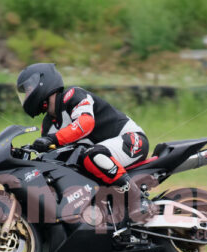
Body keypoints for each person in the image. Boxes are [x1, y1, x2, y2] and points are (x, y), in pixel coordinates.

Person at [16, 63, 156, 224]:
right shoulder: (48, 125)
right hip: (103, 155)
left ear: (43, 82)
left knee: (92, 155)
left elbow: (85, 123)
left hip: (131, 140)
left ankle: (138, 200)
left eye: (28, 89)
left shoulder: (73, 95)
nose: (26, 95)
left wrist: (52, 140)